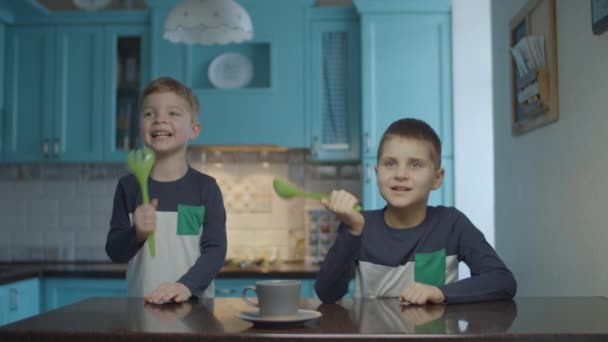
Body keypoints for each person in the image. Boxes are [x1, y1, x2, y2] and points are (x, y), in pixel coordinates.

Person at [315, 118, 516, 305]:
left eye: (415, 164)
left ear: (437, 178)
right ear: (377, 173)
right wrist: (353, 231)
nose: (400, 174)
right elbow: (327, 293)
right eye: (390, 163)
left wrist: (441, 293)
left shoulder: (452, 224)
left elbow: (503, 281)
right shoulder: (358, 225)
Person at [106, 77, 227, 304]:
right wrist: (137, 233)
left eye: (173, 113)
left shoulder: (206, 188)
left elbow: (215, 251)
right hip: (141, 309)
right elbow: (115, 252)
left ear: (194, 130)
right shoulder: (128, 187)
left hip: (195, 310)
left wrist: (185, 285)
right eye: (149, 113)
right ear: (140, 126)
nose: (160, 119)